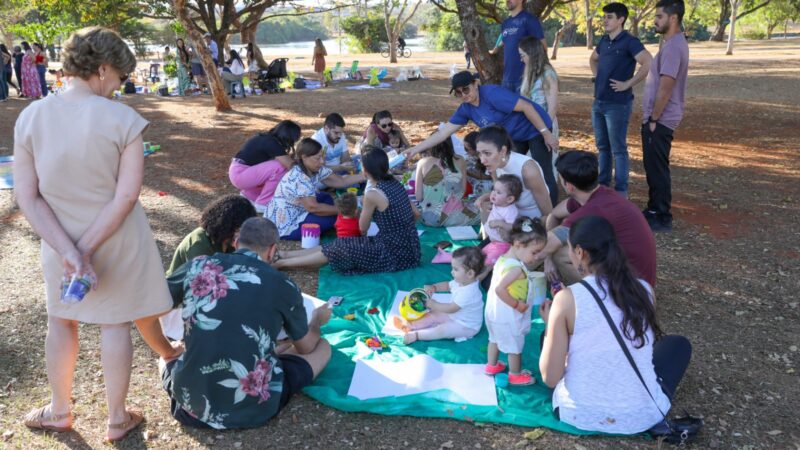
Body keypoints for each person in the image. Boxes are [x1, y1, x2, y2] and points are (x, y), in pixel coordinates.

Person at [14, 27, 182, 442]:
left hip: (58, 239)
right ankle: (116, 418)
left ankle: (58, 409)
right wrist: (87, 250)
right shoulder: (123, 119)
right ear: (102, 69)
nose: (118, 87)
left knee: (60, 319)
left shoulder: (31, 115)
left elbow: (28, 197)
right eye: (120, 77)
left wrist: (71, 251)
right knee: (114, 324)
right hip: (116, 237)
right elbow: (126, 197)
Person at [162, 217, 332, 429]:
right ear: (272, 250)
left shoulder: (198, 266)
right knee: (323, 347)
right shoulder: (283, 284)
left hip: (189, 406)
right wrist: (316, 320)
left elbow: (151, 306)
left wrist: (166, 348)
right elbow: (306, 346)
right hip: (255, 409)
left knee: (166, 357)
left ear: (236, 243)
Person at [539, 215, 691, 434]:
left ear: (580, 252)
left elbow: (550, 378)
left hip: (577, 412)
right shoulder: (644, 290)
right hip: (643, 414)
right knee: (678, 345)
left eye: (570, 249)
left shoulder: (567, 298)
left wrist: (551, 327)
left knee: (546, 340)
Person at [405, 72, 558, 204]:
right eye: (458, 93)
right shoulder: (466, 109)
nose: (464, 95)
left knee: (543, 171)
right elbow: (443, 133)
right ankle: (511, 209)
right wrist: (415, 149)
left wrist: (546, 133)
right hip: (513, 136)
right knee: (507, 171)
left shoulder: (492, 94)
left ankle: (549, 216)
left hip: (536, 128)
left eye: (466, 89)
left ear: (475, 84)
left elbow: (527, 107)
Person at [274, 147, 421, 275]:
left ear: (365, 169)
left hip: (393, 255)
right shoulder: (395, 183)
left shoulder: (372, 194)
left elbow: (362, 229)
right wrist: (401, 228)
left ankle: (281, 263)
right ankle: (285, 254)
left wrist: (361, 209)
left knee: (340, 247)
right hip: (412, 250)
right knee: (340, 245)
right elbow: (416, 213)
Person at [536, 151, 656, 287]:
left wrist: (513, 262)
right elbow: (554, 215)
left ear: (569, 186)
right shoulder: (599, 195)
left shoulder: (596, 208)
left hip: (632, 288)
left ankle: (595, 297)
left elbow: (544, 245)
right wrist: (548, 259)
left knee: (562, 255)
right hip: (636, 278)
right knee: (564, 250)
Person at [159, 195, 257, 340]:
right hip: (180, 307)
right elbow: (202, 290)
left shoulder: (228, 242)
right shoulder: (199, 244)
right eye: (240, 229)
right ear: (229, 225)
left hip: (209, 299)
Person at [590, 3, 653, 198]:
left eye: (609, 17)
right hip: (598, 102)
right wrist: (597, 76)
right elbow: (593, 59)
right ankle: (602, 186)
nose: (605, 20)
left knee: (618, 148)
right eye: (604, 17)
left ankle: (621, 191)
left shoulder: (629, 41)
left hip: (618, 104)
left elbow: (648, 61)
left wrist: (628, 83)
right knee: (602, 147)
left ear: (621, 20)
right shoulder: (604, 41)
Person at [641, 0, 689, 232]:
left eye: (659, 16)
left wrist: (653, 119)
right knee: (653, 166)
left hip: (660, 120)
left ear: (673, 18)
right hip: (658, 118)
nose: (655, 21)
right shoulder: (672, 43)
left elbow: (666, 87)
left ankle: (661, 215)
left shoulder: (672, 47)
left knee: (657, 167)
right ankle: (653, 208)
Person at [484, 216, 547, 386]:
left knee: (494, 339)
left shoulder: (504, 259)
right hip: (508, 316)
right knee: (514, 346)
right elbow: (500, 289)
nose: (536, 258)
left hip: (493, 313)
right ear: (518, 244)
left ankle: (492, 365)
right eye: (534, 252)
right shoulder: (516, 269)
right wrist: (517, 305)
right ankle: (515, 374)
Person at [266, 138, 365, 240]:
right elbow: (313, 208)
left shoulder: (314, 168)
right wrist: (344, 211)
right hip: (284, 223)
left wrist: (365, 176)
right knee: (330, 218)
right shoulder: (299, 177)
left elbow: (340, 181)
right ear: (304, 157)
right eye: (317, 158)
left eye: (322, 157)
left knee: (325, 197)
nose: (322, 161)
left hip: (299, 208)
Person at [395, 246, 485, 344]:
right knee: (433, 314)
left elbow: (451, 308)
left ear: (470, 274)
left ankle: (416, 335)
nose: (452, 272)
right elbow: (447, 285)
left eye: (455, 269)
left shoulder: (469, 292)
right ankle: (411, 326)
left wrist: (433, 304)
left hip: (467, 325)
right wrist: (435, 287)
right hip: (456, 316)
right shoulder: (461, 281)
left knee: (442, 330)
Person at [474, 125, 552, 222]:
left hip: (532, 221)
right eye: (479, 153)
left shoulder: (528, 169)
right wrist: (485, 197)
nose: (482, 160)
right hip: (507, 217)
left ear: (503, 151)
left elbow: (548, 215)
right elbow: (502, 192)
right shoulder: (493, 166)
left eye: (487, 153)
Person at [228, 120, 301, 213]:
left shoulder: (267, 139)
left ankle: (251, 197)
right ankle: (263, 203)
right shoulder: (271, 143)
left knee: (274, 168)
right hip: (240, 174)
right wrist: (309, 172)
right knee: (280, 166)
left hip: (239, 171)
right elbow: (291, 165)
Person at [519, 35, 560, 192]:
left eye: (523, 55)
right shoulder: (530, 71)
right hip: (529, 126)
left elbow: (552, 107)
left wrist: (546, 132)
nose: (521, 59)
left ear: (532, 54)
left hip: (543, 126)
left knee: (545, 171)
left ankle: (550, 211)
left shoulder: (548, 74)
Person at [414, 135, 480, 227]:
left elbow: (418, 197)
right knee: (484, 210)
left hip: (428, 218)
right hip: (455, 217)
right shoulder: (460, 160)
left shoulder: (422, 162)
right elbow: (463, 191)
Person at [488, 0, 546, 92]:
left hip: (525, 79)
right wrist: (495, 49)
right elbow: (505, 39)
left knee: (525, 106)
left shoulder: (529, 19)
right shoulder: (506, 23)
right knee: (507, 107)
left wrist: (535, 73)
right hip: (507, 79)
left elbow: (542, 46)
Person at [482, 174, 523, 265]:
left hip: (502, 245)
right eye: (493, 190)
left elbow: (513, 227)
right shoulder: (498, 204)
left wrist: (500, 224)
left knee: (487, 263)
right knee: (480, 257)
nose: (493, 193)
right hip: (493, 241)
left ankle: (482, 277)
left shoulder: (510, 210)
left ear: (509, 199)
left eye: (498, 192)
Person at [463, 131, 493, 197]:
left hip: (491, 181)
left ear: (476, 148)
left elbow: (489, 177)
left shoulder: (488, 157)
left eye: (468, 149)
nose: (466, 151)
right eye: (465, 148)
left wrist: (466, 172)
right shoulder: (474, 156)